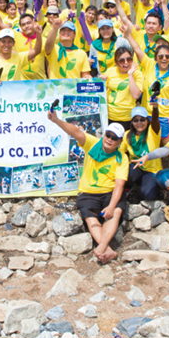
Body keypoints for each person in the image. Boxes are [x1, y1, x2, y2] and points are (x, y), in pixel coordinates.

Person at [48, 111, 128, 264]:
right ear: (104, 135)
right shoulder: (93, 144)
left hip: (109, 192)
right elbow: (76, 132)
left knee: (115, 211)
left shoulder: (121, 157)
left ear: (119, 142)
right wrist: (57, 120)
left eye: (114, 138)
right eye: (108, 135)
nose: (110, 139)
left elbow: (119, 184)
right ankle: (109, 251)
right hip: (88, 192)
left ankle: (102, 246)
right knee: (91, 220)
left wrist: (111, 206)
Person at [120, 104, 163, 201]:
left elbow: (155, 121)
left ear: (147, 120)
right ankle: (128, 187)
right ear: (132, 122)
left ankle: (151, 187)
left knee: (148, 196)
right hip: (136, 168)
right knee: (126, 171)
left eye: (142, 119)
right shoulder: (127, 135)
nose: (139, 123)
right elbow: (121, 154)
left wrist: (155, 109)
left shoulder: (153, 132)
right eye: (136, 120)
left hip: (152, 171)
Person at [103, 46, 145, 129]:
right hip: (109, 116)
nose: (126, 63)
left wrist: (130, 75)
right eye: (122, 60)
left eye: (129, 59)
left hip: (127, 117)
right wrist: (99, 80)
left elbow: (136, 95)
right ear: (116, 62)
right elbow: (103, 90)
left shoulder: (137, 74)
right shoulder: (110, 71)